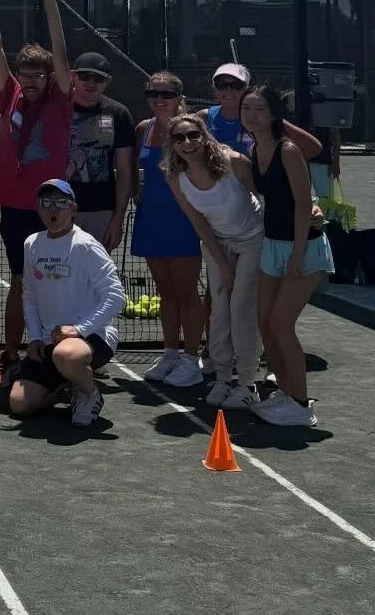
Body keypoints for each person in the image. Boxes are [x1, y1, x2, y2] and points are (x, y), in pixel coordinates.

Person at [0, 0, 74, 390]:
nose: (31, 79)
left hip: (52, 207)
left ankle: (57, 354)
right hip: (16, 207)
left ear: (49, 76)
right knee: (19, 283)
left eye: (39, 73)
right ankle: (10, 354)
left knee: (56, 281)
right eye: (26, 72)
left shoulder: (61, 98)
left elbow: (60, 49)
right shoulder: (9, 94)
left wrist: (51, 0)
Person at [242, 82, 334, 428]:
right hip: (272, 245)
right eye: (247, 109)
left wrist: (297, 254)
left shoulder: (289, 150)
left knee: (282, 325)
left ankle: (301, 405)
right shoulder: (254, 150)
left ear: (275, 115)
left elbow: (300, 205)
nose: (252, 115)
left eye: (260, 109)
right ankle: (283, 389)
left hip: (304, 247)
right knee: (265, 320)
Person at [164, 112, 266, 412]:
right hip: (216, 244)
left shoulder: (233, 161)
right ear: (172, 144)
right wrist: (224, 266)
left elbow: (266, 196)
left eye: (193, 135)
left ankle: (247, 383)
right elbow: (199, 223)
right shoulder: (174, 176)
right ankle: (222, 376)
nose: (187, 143)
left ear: (204, 136)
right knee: (219, 309)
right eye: (179, 138)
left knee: (241, 308)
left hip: (253, 240)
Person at [6, 179, 123, 427]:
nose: (53, 210)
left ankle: (90, 394)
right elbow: (28, 294)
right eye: (46, 203)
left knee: (66, 355)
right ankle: (65, 387)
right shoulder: (32, 243)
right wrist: (36, 337)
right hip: (50, 341)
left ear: (73, 208)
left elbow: (116, 295)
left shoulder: (85, 245)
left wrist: (80, 329)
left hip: (93, 337)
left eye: (61, 203)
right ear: (38, 208)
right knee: (19, 404)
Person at [131, 71, 205, 387]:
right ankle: (171, 353)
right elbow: (136, 170)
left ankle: (192, 358)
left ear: (179, 97)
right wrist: (136, 195)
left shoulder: (192, 130)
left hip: (185, 220)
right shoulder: (143, 129)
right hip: (151, 218)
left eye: (167, 94)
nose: (159, 100)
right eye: (152, 93)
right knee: (166, 292)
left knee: (187, 292)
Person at [66, 50, 137, 251]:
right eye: (84, 76)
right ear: (73, 76)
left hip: (102, 211)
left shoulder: (119, 114)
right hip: (60, 207)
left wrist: (117, 220)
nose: (90, 83)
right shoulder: (57, 108)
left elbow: (124, 171)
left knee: (95, 276)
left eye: (98, 78)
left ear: (108, 81)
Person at [206, 62, 322, 162]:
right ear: (214, 89)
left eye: (236, 85)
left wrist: (279, 166)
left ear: (247, 88)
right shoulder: (203, 117)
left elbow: (313, 148)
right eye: (221, 85)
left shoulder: (263, 117)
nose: (228, 90)